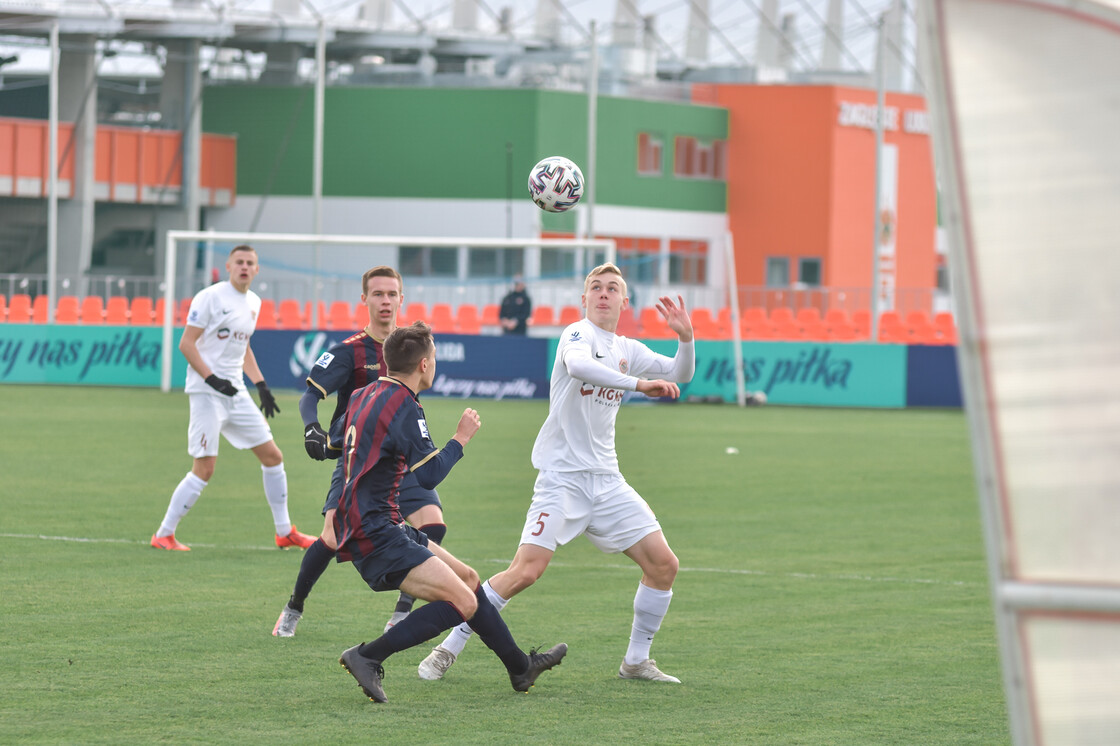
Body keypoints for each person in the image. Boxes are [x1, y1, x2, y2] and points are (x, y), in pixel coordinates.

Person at [418, 262, 694, 684]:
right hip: (562, 479)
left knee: (663, 565)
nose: (604, 293)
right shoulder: (577, 334)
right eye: (596, 287)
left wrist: (685, 337)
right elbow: (581, 368)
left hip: (606, 480)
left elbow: (680, 373)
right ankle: (448, 647)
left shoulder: (627, 348)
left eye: (613, 288)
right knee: (525, 572)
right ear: (584, 299)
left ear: (625, 300)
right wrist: (638, 385)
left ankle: (636, 661)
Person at [332, 321, 567, 703]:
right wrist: (461, 437)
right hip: (375, 529)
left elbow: (337, 439)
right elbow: (429, 476)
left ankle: (520, 669)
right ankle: (367, 655)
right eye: (435, 357)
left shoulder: (364, 393)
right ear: (424, 364)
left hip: (377, 520)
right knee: (463, 601)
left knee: (470, 579)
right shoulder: (404, 404)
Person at [272, 266, 451, 637]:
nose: (385, 301)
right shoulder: (349, 351)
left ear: (402, 298)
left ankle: (401, 613)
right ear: (365, 299)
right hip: (360, 462)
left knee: (432, 524)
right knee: (332, 537)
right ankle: (294, 607)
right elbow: (310, 397)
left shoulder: (413, 347)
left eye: (391, 294)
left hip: (401, 458)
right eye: (378, 294)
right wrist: (312, 429)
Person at [151, 244, 315, 552]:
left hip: (236, 392)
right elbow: (187, 344)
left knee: (273, 456)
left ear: (256, 269)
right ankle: (164, 534)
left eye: (249, 262)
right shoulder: (210, 297)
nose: (244, 266)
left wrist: (261, 384)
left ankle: (285, 532)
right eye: (238, 261)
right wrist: (211, 378)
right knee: (205, 468)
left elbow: (244, 347)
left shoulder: (253, 301)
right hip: (206, 393)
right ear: (228, 266)